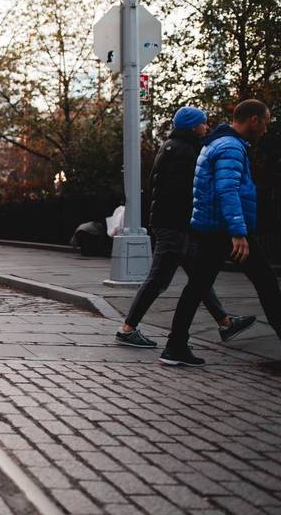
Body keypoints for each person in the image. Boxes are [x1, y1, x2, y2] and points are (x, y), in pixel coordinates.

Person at [115, 107, 255, 348]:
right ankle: (127, 329)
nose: (207, 126)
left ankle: (224, 322)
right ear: (193, 126)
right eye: (203, 123)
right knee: (158, 280)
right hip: (174, 226)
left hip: (172, 224)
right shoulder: (185, 151)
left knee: (199, 277)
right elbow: (183, 192)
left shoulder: (172, 146)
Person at [161, 100, 281, 366]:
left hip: (212, 227)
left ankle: (175, 346)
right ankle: (174, 346)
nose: (266, 126)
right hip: (226, 230)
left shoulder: (217, 143)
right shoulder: (230, 147)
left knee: (198, 287)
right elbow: (227, 191)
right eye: (265, 120)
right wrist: (238, 233)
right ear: (253, 120)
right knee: (267, 283)